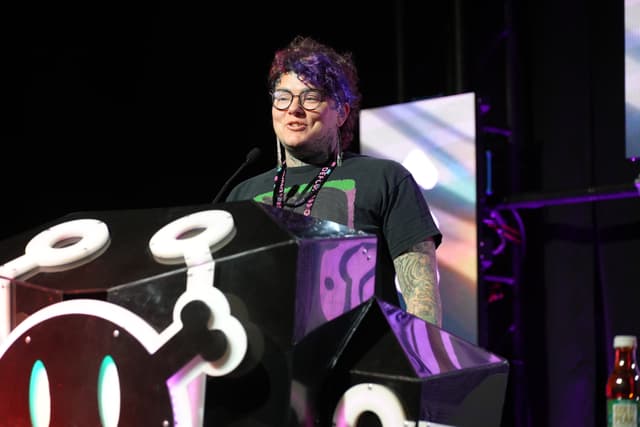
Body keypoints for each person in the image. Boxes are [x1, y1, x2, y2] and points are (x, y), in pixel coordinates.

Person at [226, 35, 443, 326]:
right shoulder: (243, 194)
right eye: (283, 97)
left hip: (357, 362)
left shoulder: (384, 179)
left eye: (311, 97)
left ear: (341, 112)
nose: (294, 108)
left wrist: (420, 361)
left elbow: (421, 296)